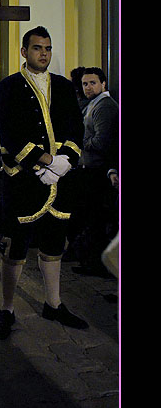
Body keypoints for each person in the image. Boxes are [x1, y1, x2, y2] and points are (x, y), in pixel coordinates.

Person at [0, 26, 88, 339]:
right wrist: (43, 160)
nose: (43, 53)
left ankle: (53, 303)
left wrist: (66, 160)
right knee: (16, 244)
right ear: (24, 51)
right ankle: (6, 308)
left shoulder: (62, 85)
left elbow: (75, 124)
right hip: (23, 179)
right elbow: (9, 131)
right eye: (37, 48)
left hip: (61, 180)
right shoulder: (7, 87)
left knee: (53, 242)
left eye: (47, 48)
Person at [70, 67, 119, 278]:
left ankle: (98, 265)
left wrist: (78, 142)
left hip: (98, 172)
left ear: (103, 84)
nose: (88, 87)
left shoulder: (105, 105)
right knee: (90, 219)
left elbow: (102, 141)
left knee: (96, 220)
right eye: (84, 84)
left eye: (92, 83)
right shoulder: (94, 103)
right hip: (90, 169)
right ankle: (91, 260)